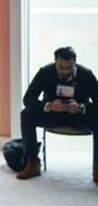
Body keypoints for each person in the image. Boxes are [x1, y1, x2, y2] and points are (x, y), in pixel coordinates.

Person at [17, 46, 98, 181]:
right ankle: (32, 163)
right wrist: (48, 106)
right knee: (26, 114)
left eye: (69, 67)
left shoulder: (86, 74)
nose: (65, 71)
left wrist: (81, 107)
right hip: (53, 114)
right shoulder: (45, 72)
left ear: (74, 63)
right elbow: (28, 99)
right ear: (55, 62)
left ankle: (97, 168)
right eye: (61, 67)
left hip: (79, 116)